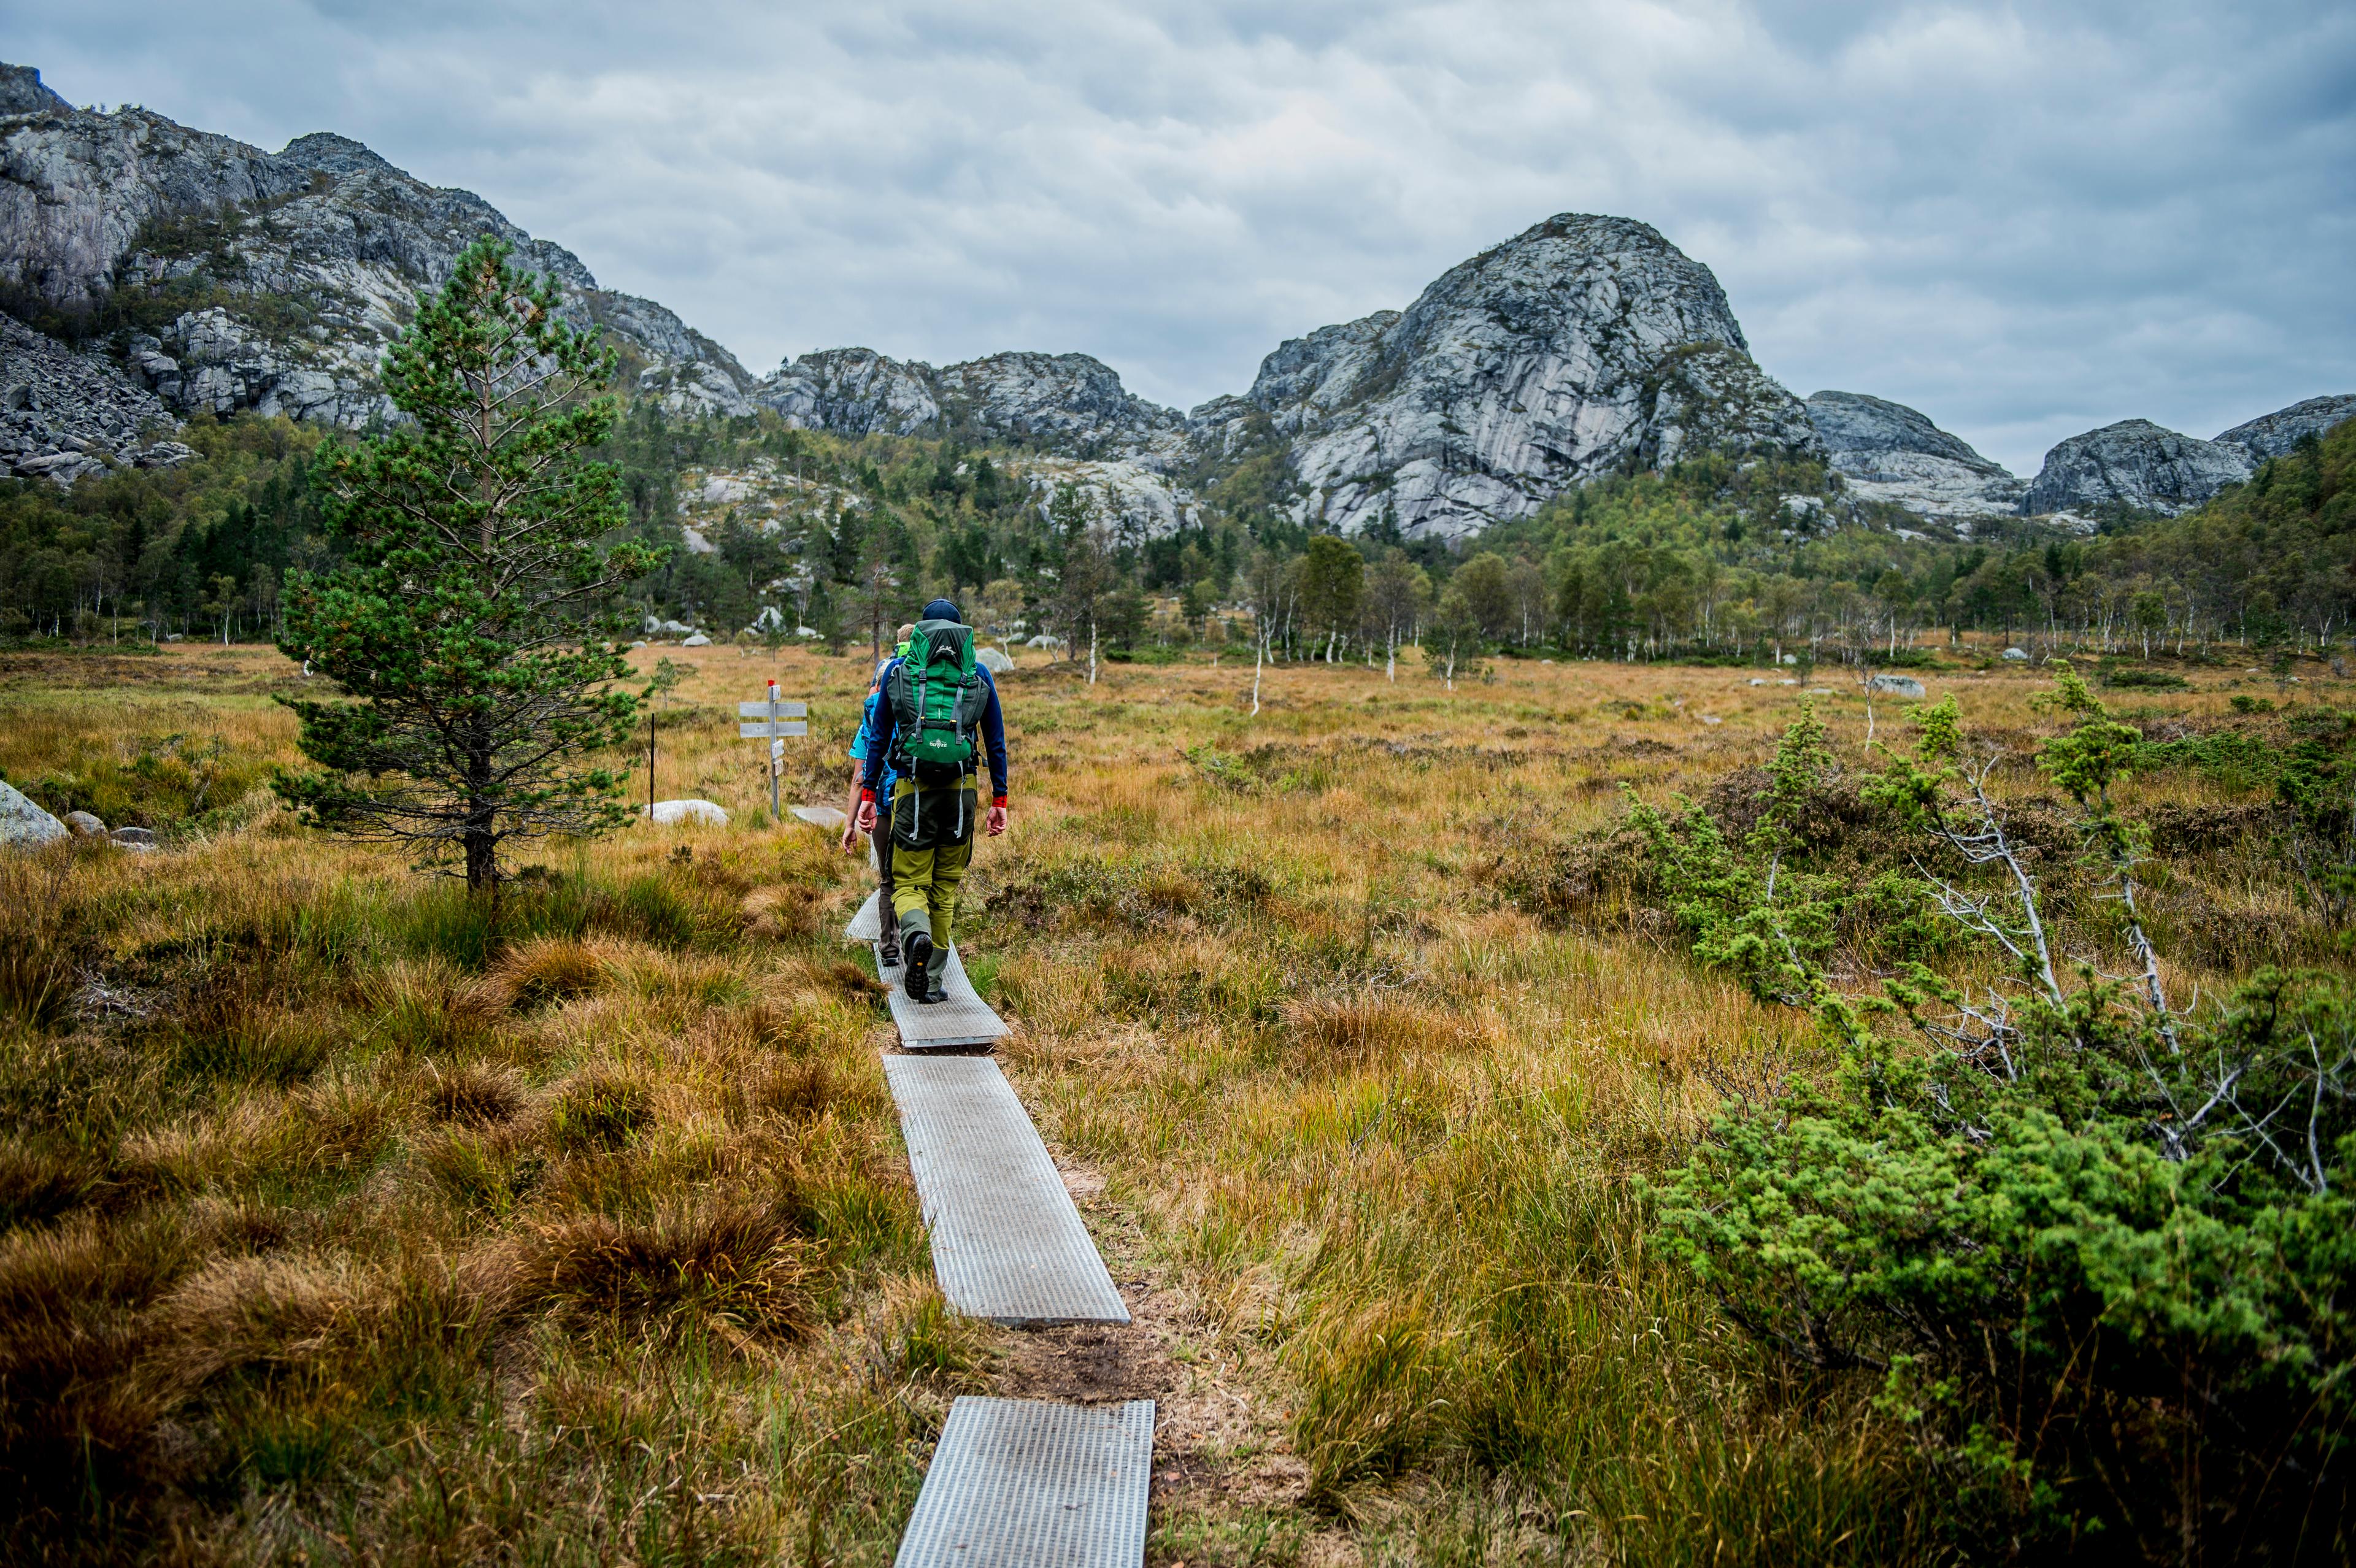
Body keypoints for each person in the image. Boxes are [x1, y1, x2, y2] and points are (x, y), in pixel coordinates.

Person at [855, 598, 1009, 1003]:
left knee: (908, 882)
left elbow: (877, 740)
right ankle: (934, 982)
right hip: (962, 794)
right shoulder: (978, 674)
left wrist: (869, 795)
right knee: (944, 887)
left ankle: (915, 934)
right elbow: (995, 742)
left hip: (912, 790)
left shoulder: (897, 671)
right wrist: (1001, 801)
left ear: (921, 632)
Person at [842, 624, 915, 965]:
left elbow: (860, 777)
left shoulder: (873, 709)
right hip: (919, 802)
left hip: (883, 805)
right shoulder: (926, 694)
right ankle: (919, 943)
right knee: (917, 878)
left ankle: (889, 949)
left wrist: (850, 823)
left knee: (888, 878)